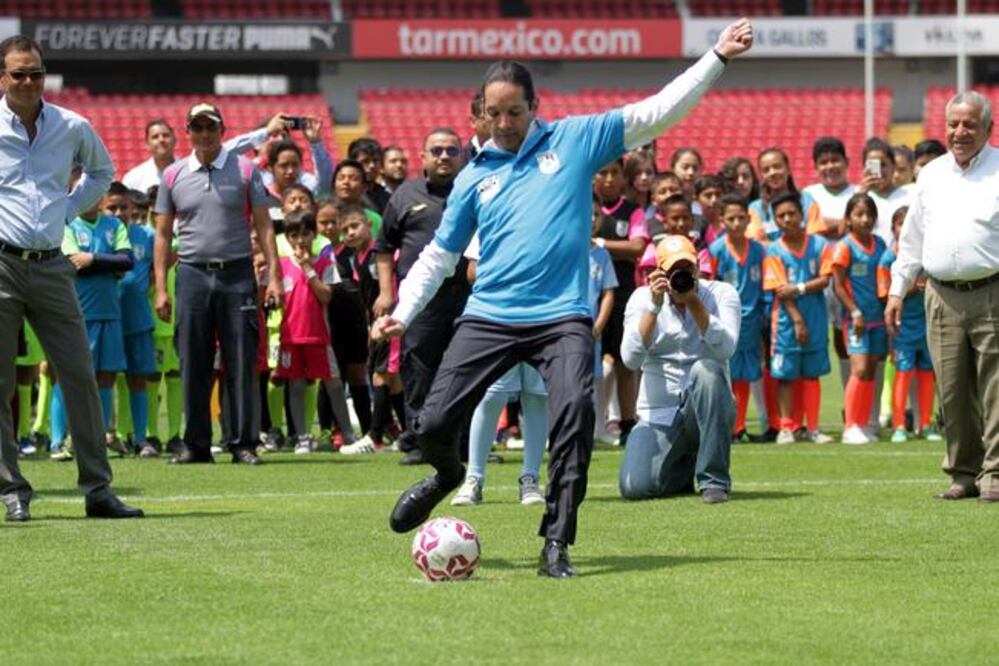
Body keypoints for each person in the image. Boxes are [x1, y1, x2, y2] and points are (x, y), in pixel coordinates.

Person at [372, 19, 754, 577]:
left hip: (562, 318)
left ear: (534, 107)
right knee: (430, 426)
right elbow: (439, 256)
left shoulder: (574, 139)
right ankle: (447, 476)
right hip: (490, 316)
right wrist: (402, 313)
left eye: (515, 112)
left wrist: (716, 56)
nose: (505, 124)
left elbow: (657, 111)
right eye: (494, 113)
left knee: (574, 413)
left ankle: (556, 541)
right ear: (481, 112)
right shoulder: (473, 176)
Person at [0, 34, 142, 520]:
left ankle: (98, 490)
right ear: (2, 77)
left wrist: (66, 210)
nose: (28, 81)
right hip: (1, 265)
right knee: (0, 383)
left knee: (80, 376)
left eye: (35, 72)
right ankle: (12, 489)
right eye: (18, 73)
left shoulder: (71, 124)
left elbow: (102, 172)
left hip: (53, 266)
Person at [153, 101, 282, 465]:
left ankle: (243, 443)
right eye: (197, 127)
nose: (204, 134)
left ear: (222, 131)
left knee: (241, 359)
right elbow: (162, 235)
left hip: (237, 273)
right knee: (193, 360)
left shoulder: (245, 171)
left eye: (211, 127)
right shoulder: (173, 175)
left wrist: (273, 277)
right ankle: (195, 444)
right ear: (188, 132)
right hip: (192, 274)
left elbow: (264, 226)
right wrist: (162, 287)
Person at [885, 91, 998, 502]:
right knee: (950, 389)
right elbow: (911, 239)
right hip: (939, 295)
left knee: (996, 388)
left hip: (992, 291)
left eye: (970, 124)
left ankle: (995, 473)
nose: (960, 132)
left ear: (988, 128)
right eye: (953, 124)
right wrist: (898, 290)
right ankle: (964, 472)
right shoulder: (930, 175)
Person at [373, 128, 471, 465]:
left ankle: (467, 446)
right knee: (419, 370)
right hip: (422, 301)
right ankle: (417, 443)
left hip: (468, 295)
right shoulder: (404, 195)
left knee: (466, 369)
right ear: (423, 156)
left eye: (451, 150)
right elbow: (384, 249)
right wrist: (387, 292)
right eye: (437, 150)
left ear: (461, 155)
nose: (444, 156)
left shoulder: (473, 190)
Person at [619, 235, 740, 503]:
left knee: (707, 369)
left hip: (707, 409)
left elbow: (726, 350)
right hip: (658, 414)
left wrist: (695, 303)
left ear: (697, 268)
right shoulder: (642, 299)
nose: (681, 276)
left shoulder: (722, 294)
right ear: (659, 272)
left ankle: (714, 480)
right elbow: (630, 359)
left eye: (687, 269)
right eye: (674, 271)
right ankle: (682, 468)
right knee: (634, 488)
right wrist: (654, 306)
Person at [762, 191, 833, 445]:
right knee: (786, 375)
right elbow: (781, 290)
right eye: (781, 216)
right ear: (775, 220)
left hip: (816, 316)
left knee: (812, 374)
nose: (787, 219)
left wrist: (800, 288)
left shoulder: (819, 245)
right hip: (784, 322)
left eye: (792, 213)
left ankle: (812, 427)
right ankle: (786, 427)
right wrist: (797, 320)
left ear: (802, 215)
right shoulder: (773, 250)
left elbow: (826, 278)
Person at [273, 209, 344, 455]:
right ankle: (302, 437)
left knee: (333, 384)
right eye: (294, 235)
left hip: (318, 335)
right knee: (295, 386)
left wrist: (308, 268)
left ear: (314, 234)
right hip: (290, 337)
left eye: (305, 234)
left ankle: (348, 435)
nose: (300, 240)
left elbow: (326, 295)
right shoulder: (280, 265)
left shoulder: (325, 261)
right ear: (288, 238)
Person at [338, 204, 406, 454]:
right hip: (376, 324)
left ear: (369, 225)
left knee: (381, 375)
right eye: (345, 230)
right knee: (394, 379)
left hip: (392, 322)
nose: (350, 233)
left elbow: (399, 281)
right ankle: (408, 434)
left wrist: (393, 312)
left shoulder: (383, 253)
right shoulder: (357, 259)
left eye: (354, 226)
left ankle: (374, 436)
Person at [593, 158, 647, 447]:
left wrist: (598, 243)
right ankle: (591, 423)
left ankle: (628, 423)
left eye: (615, 173)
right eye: (603, 172)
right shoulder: (580, 205)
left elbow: (637, 247)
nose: (610, 179)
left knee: (626, 360)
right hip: (588, 296)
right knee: (588, 363)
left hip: (623, 294)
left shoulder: (632, 211)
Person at [104, 182, 159, 457]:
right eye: (111, 207)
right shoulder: (100, 234)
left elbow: (158, 267)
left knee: (139, 377)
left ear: (131, 208)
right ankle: (104, 434)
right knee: (105, 376)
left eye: (123, 207)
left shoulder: (145, 236)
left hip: (138, 317)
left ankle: (140, 438)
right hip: (106, 316)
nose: (118, 213)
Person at [877, 206, 939, 444]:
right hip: (902, 327)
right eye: (900, 224)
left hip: (927, 324)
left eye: (908, 223)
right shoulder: (888, 259)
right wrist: (913, 288)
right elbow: (884, 294)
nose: (904, 229)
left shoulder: (928, 255)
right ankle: (899, 424)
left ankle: (925, 423)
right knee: (902, 374)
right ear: (893, 228)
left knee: (926, 374)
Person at [829, 193, 887, 445]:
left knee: (871, 371)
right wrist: (854, 312)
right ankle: (850, 425)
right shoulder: (845, 247)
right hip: (856, 320)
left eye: (869, 214)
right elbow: (838, 285)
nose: (865, 219)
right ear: (848, 219)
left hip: (878, 318)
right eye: (859, 214)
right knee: (859, 369)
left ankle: (864, 424)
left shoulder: (881, 244)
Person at [709, 195, 765, 442]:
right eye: (730, 218)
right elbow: (710, 284)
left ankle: (739, 426)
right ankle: (725, 425)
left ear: (748, 219)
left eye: (741, 218)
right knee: (726, 373)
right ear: (722, 221)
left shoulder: (759, 250)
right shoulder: (717, 250)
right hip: (725, 320)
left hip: (752, 320)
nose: (736, 223)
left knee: (744, 374)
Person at [123, 114, 295, 194]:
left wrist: (265, 132)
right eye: (155, 137)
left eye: (166, 135)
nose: (161, 140)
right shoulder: (134, 178)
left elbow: (226, 149)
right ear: (146, 144)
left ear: (176, 140)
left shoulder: (188, 168)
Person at [859, 138, 908, 245]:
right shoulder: (857, 197)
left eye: (883, 165)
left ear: (893, 166)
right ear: (864, 167)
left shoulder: (909, 196)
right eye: (873, 165)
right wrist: (861, 195)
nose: (879, 171)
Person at [349, 137, 392, 215]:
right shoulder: (347, 195)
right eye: (365, 161)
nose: (372, 165)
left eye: (375, 160)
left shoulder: (387, 197)